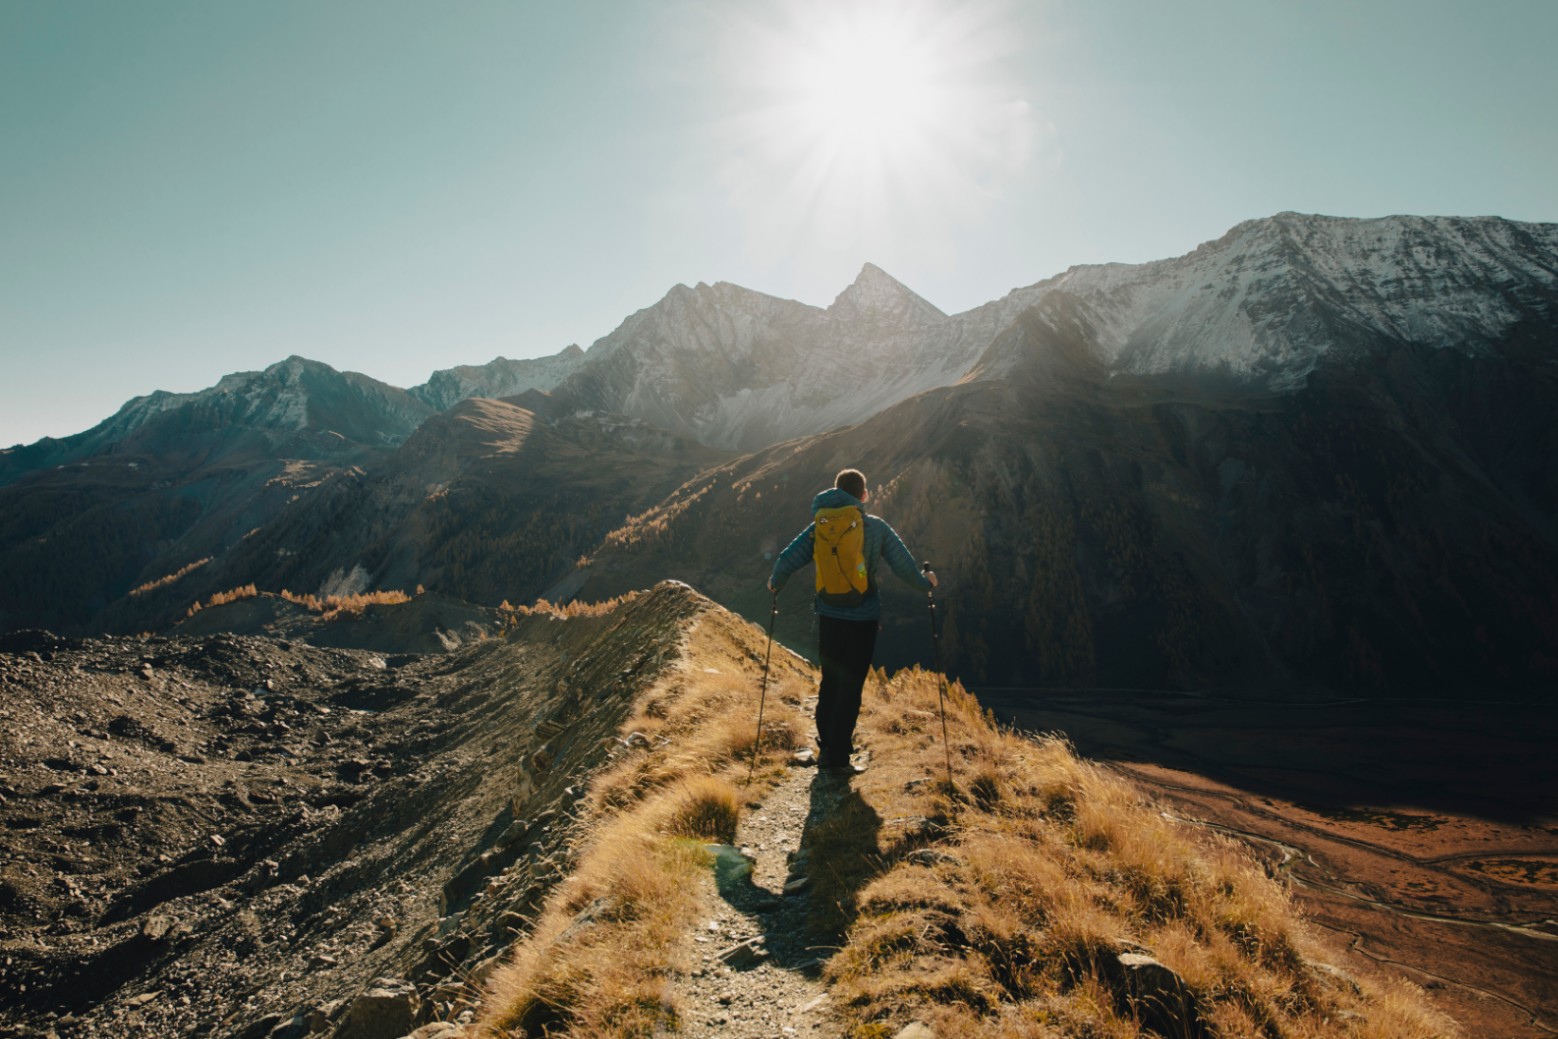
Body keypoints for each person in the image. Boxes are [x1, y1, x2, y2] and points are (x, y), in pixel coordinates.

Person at [768, 468, 937, 773]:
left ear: (836, 491)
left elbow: (786, 559)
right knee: (851, 686)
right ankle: (839, 758)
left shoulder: (819, 526)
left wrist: (775, 584)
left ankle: (826, 748)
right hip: (863, 620)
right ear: (864, 495)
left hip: (829, 616)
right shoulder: (875, 527)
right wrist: (927, 583)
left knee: (830, 681)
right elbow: (903, 566)